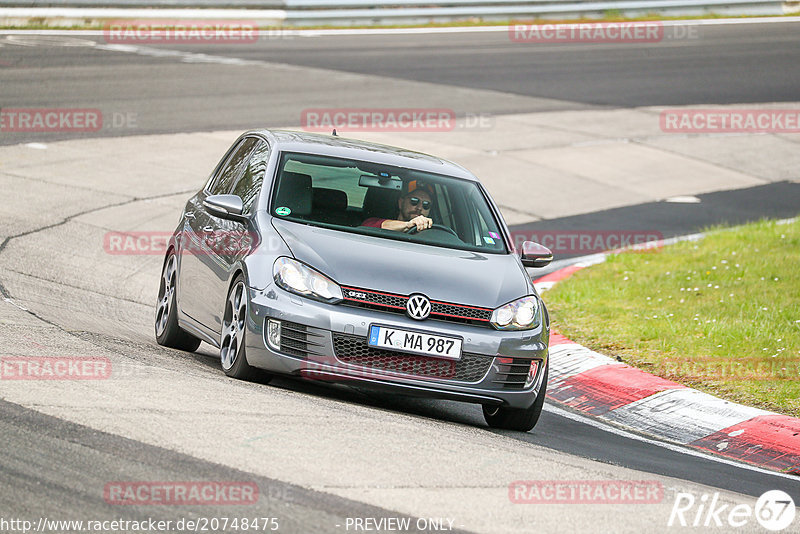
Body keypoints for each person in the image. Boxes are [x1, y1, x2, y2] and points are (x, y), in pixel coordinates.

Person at [361, 182, 434, 232]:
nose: (419, 208)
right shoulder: (373, 221)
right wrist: (408, 225)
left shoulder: (433, 233)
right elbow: (368, 227)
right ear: (401, 202)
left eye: (426, 205)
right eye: (414, 201)